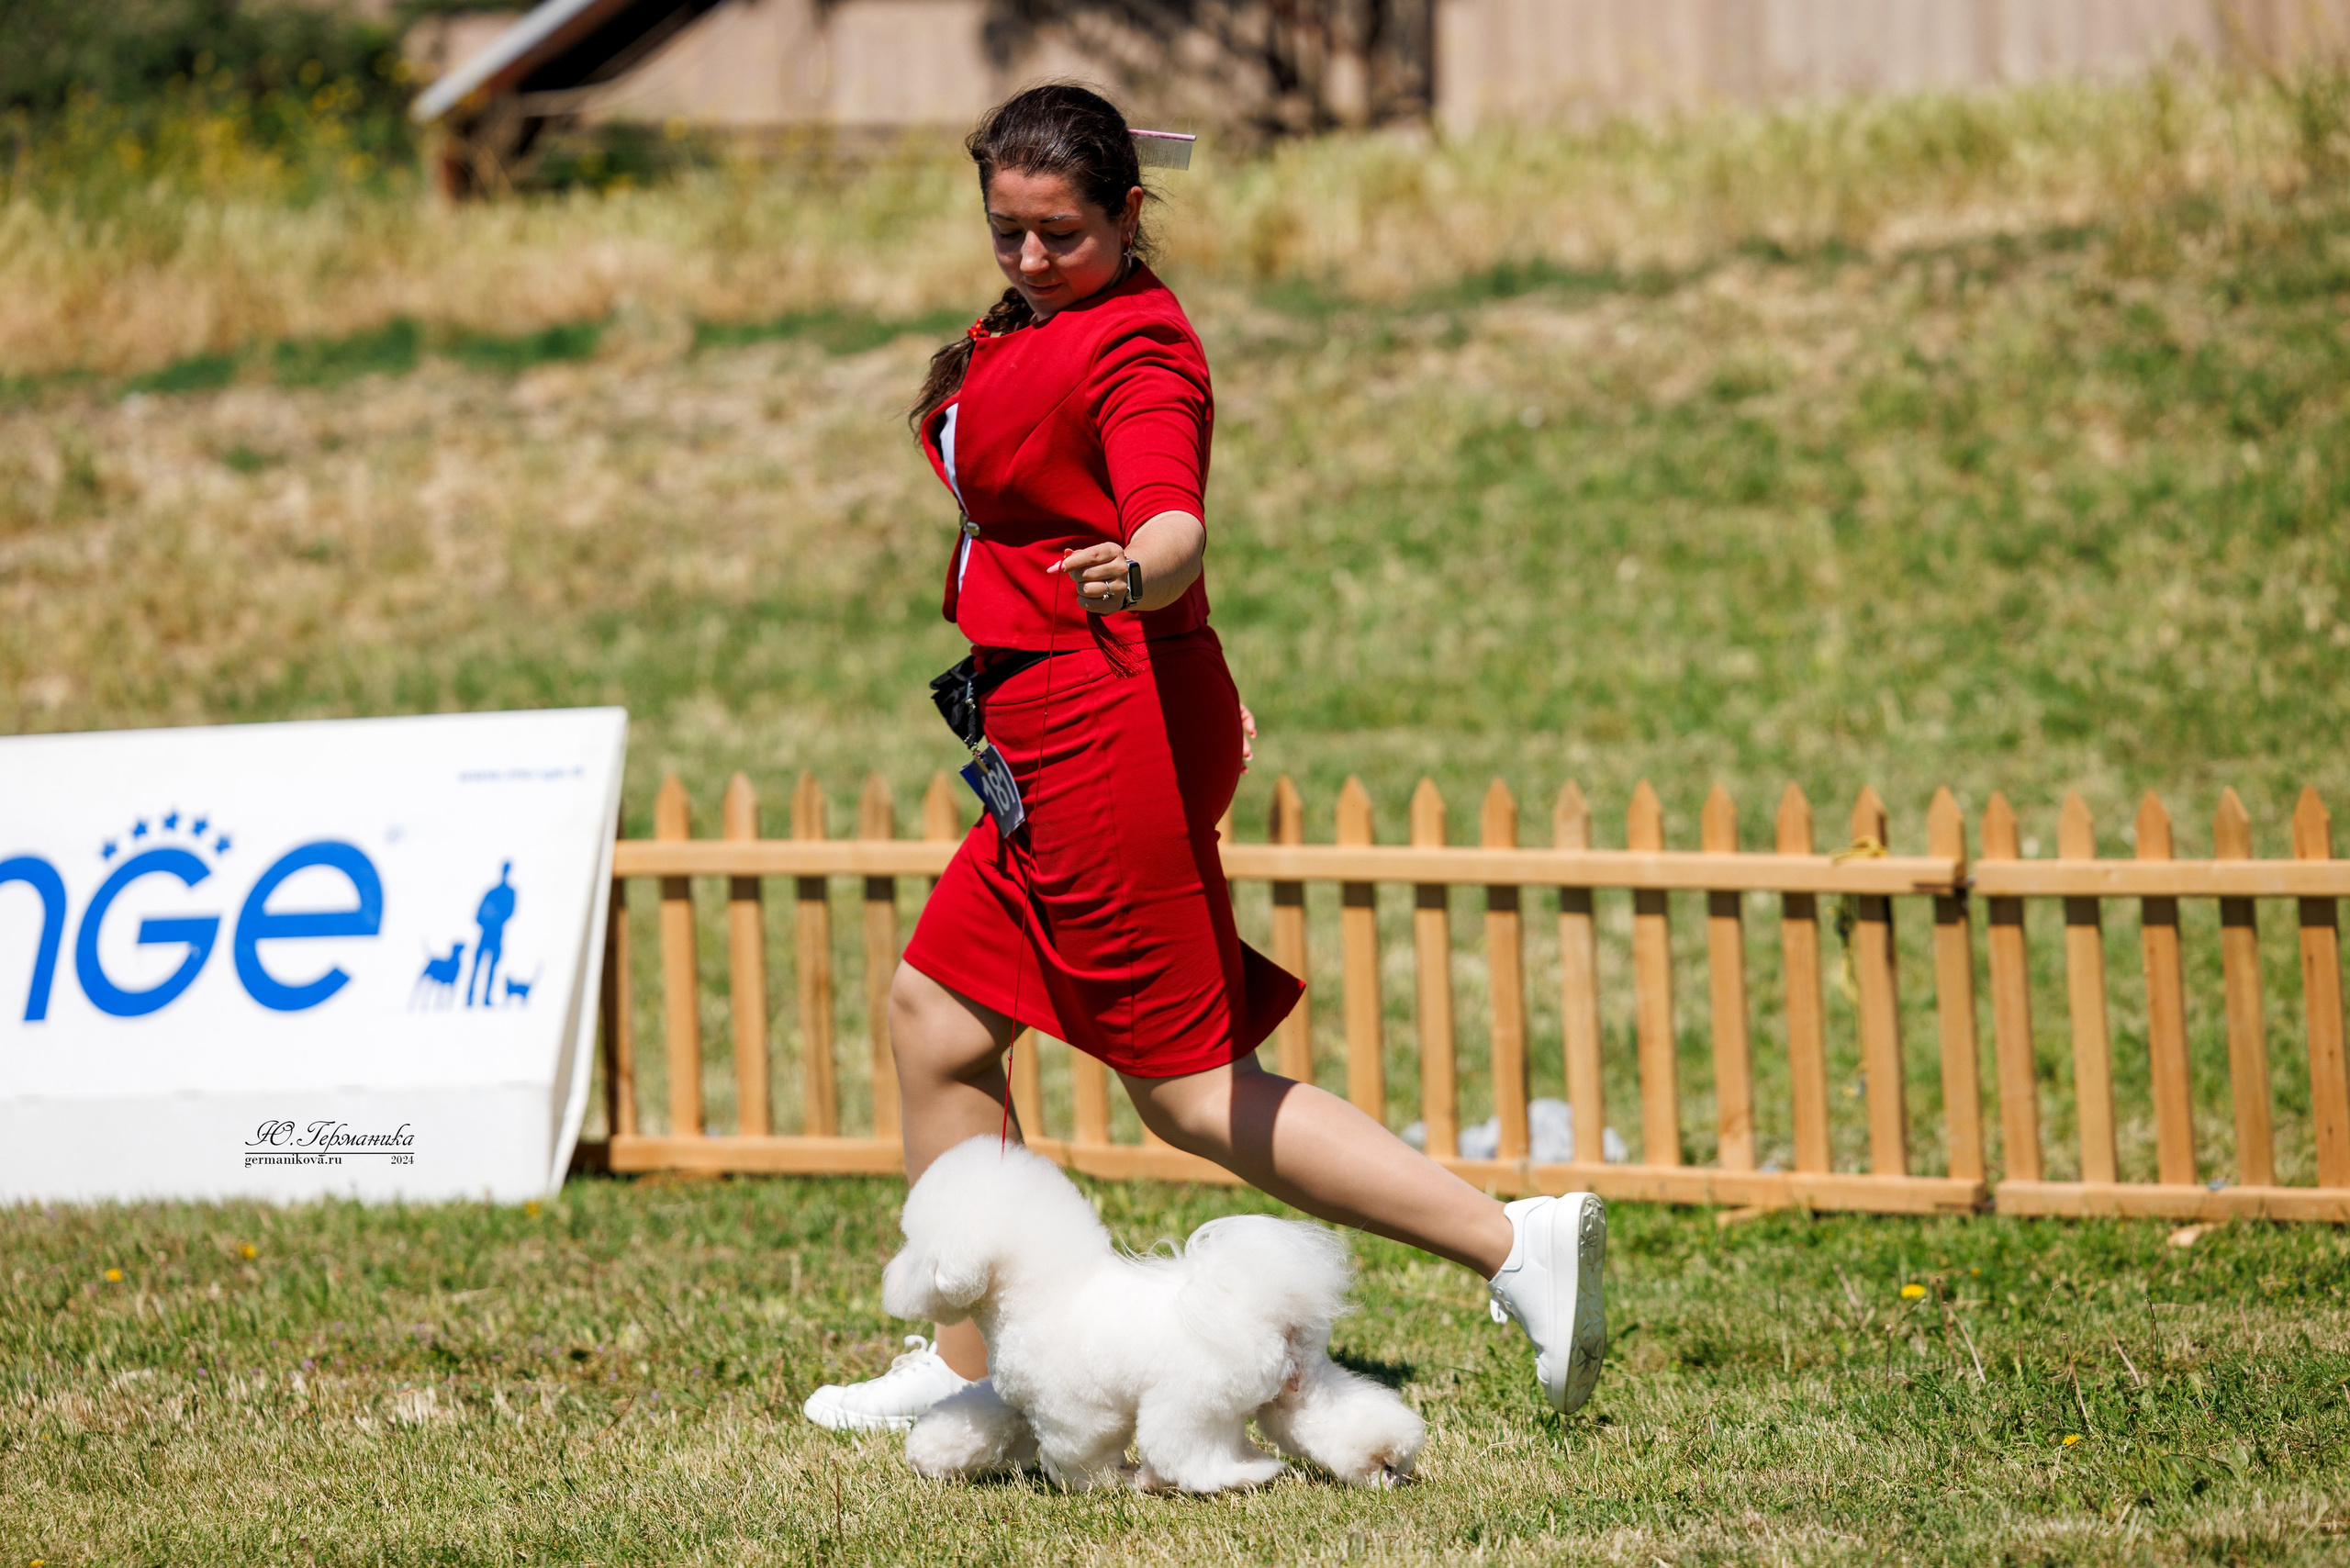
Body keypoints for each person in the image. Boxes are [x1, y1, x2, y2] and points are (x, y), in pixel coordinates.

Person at [802, 84, 1606, 1436]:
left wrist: (1141, 573)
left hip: (1102, 715)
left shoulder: (1139, 348)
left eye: (1059, 234)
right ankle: (968, 1372)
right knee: (936, 1023)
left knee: (1185, 1089)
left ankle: (1517, 1244)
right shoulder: (1031, 318)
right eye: (1006, 231)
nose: (1027, 259)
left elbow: (1174, 512)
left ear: (1130, 213)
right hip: (1046, 719)